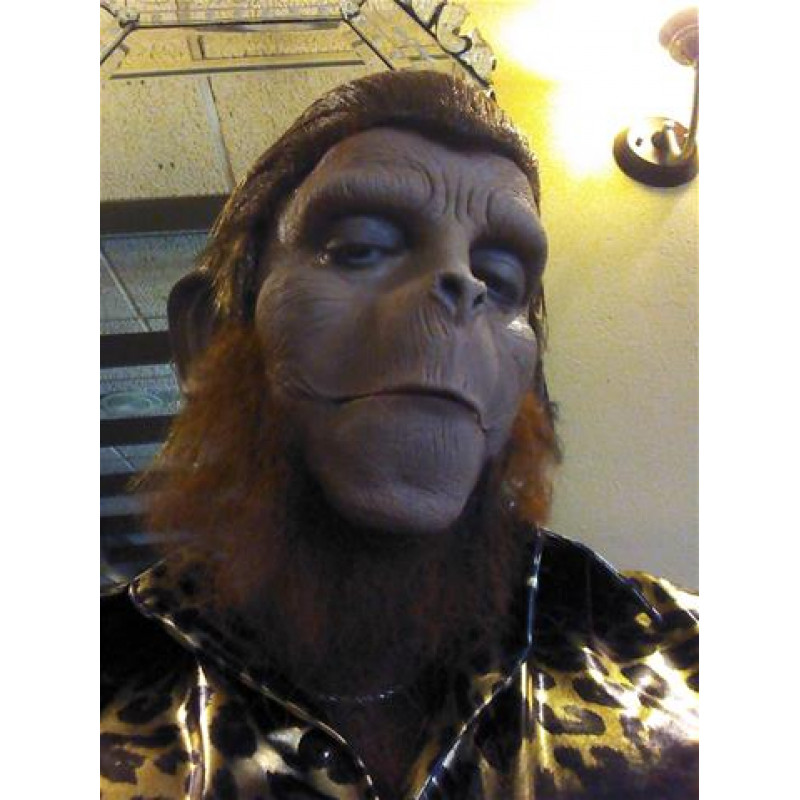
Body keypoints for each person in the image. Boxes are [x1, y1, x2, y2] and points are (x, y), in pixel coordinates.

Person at [101, 70, 698, 800]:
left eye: (502, 277)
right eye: (358, 247)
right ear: (209, 336)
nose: (460, 284)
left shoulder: (692, 665)